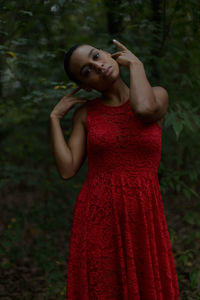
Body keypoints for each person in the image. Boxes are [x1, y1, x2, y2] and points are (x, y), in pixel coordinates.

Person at [49, 39, 180, 299]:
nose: (98, 66)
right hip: (98, 218)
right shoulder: (86, 115)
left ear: (110, 54)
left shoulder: (158, 95)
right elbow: (67, 170)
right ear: (85, 86)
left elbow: (143, 109)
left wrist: (136, 64)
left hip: (144, 216)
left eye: (96, 56)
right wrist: (54, 119)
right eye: (87, 71)